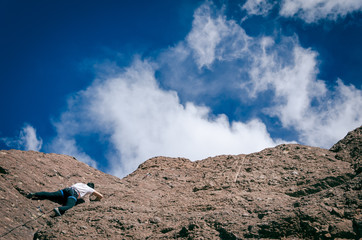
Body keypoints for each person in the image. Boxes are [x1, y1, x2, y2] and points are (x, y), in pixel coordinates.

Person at [27, 182, 103, 217]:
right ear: (91, 187)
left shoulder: (80, 183)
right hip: (74, 194)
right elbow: (101, 196)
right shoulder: (90, 189)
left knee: (51, 194)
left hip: (67, 190)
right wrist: (95, 200)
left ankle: (34, 194)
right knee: (70, 206)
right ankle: (58, 209)